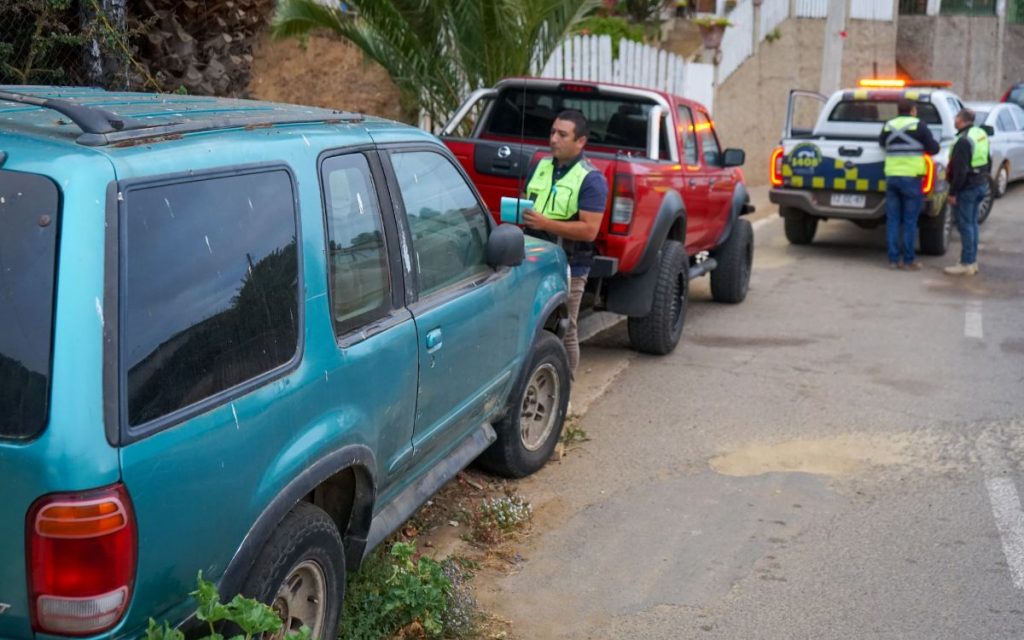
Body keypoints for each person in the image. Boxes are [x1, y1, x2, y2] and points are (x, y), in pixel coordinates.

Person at [522, 110, 609, 375]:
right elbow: (527, 201)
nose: (554, 139)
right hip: (534, 258)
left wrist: (545, 224)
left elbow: (589, 231)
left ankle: (565, 391)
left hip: (570, 264)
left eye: (562, 134)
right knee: (531, 325)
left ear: (580, 142)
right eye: (552, 132)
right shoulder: (540, 165)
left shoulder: (592, 179)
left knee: (565, 328)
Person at [879, 98, 940, 270]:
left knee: (892, 220)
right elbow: (933, 148)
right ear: (913, 110)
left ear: (898, 110)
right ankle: (908, 261)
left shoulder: (888, 125)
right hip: (911, 179)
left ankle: (892, 260)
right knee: (910, 221)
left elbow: (882, 143)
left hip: (891, 177)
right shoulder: (919, 126)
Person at [944, 108, 990, 276]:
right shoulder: (980, 134)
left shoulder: (963, 141)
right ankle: (971, 261)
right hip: (979, 184)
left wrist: (953, 192)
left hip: (967, 187)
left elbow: (960, 170)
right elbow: (988, 159)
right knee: (972, 224)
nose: (954, 120)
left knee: (965, 226)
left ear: (961, 120)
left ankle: (966, 263)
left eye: (956, 117)